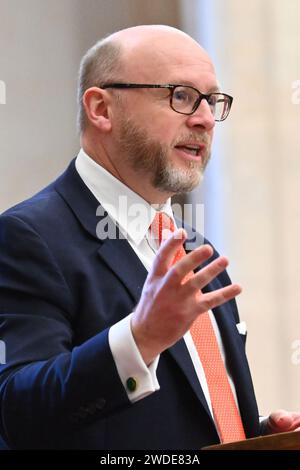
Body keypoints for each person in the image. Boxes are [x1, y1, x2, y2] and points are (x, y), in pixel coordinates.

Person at [0, 25, 299, 450]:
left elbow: (175, 415)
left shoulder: (191, 245)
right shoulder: (28, 238)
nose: (205, 118)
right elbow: (14, 411)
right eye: (180, 96)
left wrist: (254, 434)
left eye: (212, 100)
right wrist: (139, 339)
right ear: (101, 108)